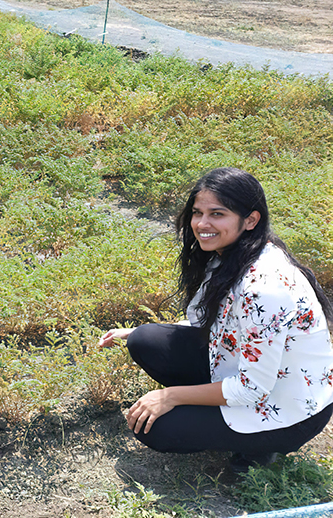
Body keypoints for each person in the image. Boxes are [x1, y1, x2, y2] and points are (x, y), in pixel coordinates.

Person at [99, 167, 333, 472]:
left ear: (251, 220)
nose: (201, 224)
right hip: (249, 372)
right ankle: (223, 423)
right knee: (146, 339)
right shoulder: (232, 253)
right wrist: (135, 332)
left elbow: (253, 389)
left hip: (289, 411)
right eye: (198, 212)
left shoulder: (264, 286)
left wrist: (171, 396)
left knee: (157, 427)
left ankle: (263, 448)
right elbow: (209, 324)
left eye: (217, 214)